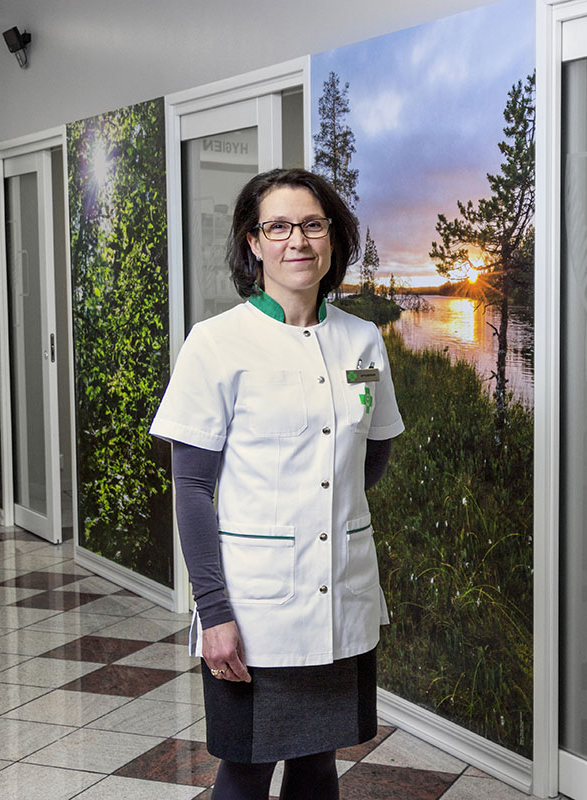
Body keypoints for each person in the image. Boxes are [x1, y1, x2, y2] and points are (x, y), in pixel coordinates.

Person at [150, 168, 404, 799]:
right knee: (247, 767)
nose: (298, 241)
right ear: (253, 242)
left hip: (340, 595)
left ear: (333, 238)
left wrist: (328, 509)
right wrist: (213, 611)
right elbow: (191, 490)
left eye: (313, 225)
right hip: (254, 607)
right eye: (279, 227)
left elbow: (371, 451)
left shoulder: (362, 340)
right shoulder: (216, 344)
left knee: (318, 761)